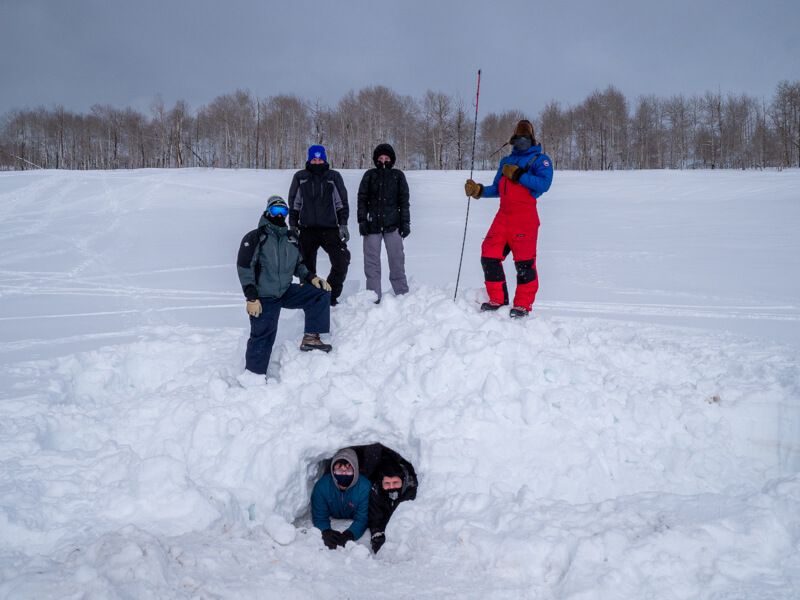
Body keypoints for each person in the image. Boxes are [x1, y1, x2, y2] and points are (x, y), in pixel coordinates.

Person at [464, 119, 554, 318]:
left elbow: (544, 184)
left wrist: (519, 176)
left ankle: (523, 305)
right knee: (488, 254)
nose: (521, 140)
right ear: (513, 140)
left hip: (525, 219)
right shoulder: (506, 161)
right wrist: (479, 191)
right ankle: (498, 299)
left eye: (525, 137)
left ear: (532, 139)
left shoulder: (540, 159)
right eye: (518, 138)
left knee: (525, 264)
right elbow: (498, 188)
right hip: (502, 217)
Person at [236, 195, 333, 376]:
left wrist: (311, 278)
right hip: (263, 297)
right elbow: (244, 268)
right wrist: (251, 296)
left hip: (286, 291)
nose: (279, 215)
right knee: (262, 338)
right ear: (267, 211)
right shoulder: (256, 237)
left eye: (283, 211)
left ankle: (311, 338)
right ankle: (253, 377)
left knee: (319, 293)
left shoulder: (291, 238)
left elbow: (299, 265)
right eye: (275, 211)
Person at [288, 145, 351, 306]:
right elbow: (295, 203)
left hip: (330, 228)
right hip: (307, 230)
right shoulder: (300, 177)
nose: (317, 162)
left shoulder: (333, 177)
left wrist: (343, 224)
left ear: (325, 159)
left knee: (342, 260)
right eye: (314, 159)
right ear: (309, 160)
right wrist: (293, 226)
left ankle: (330, 297)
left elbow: (341, 203)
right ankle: (311, 298)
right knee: (306, 268)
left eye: (320, 159)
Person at [357, 143, 411, 303]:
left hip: (393, 225)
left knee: (397, 260)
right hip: (372, 226)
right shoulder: (369, 175)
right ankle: (374, 296)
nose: (383, 161)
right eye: (380, 158)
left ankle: (402, 294)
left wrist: (405, 223)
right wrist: (362, 220)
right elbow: (362, 199)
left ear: (392, 160)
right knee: (371, 263)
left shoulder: (398, 176)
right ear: (376, 159)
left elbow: (404, 201)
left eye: (387, 158)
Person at [311, 448, 371, 549]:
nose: (343, 474)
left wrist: (351, 533)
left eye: (348, 470)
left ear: (355, 470)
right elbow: (319, 515)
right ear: (333, 470)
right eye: (339, 470)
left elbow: (363, 517)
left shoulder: (365, 487)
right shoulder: (322, 486)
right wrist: (325, 531)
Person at [367, 458, 418, 554]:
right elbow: (376, 518)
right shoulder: (377, 492)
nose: (391, 487)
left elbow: (411, 519)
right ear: (381, 483)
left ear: (403, 481)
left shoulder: (411, 491)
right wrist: (377, 533)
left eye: (395, 483)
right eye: (387, 483)